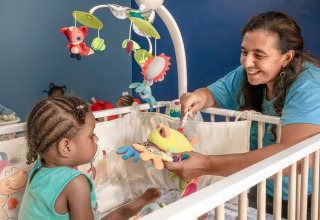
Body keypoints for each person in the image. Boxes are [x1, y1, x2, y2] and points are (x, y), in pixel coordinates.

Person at [164, 11, 320, 219]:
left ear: (287, 57)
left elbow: (293, 158)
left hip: (305, 194)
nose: (247, 63)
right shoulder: (248, 74)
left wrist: (207, 164)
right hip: (260, 182)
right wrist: (198, 96)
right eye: (244, 51)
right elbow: (213, 94)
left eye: (259, 55)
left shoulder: (309, 85)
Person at [18, 96, 161, 220]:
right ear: (66, 147)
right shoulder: (75, 183)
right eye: (91, 135)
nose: (96, 138)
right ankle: (132, 208)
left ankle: (132, 206)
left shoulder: (40, 167)